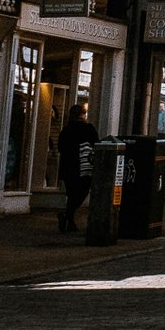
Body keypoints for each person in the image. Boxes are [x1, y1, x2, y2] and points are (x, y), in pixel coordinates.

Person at [57, 100, 98, 234]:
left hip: (68, 167)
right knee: (81, 192)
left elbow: (60, 147)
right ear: (82, 115)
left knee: (72, 192)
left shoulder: (66, 130)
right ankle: (68, 215)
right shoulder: (88, 129)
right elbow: (96, 144)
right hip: (83, 167)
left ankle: (69, 219)